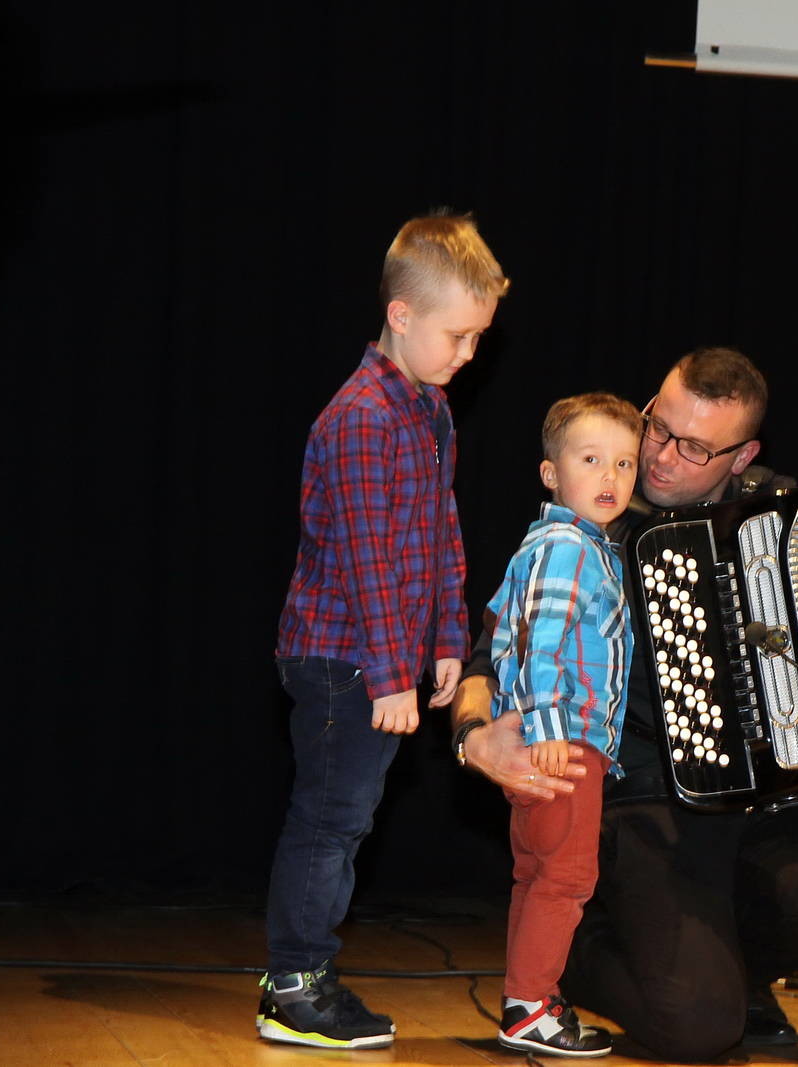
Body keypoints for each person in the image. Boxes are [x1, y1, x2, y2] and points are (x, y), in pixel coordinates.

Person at [453, 348, 798, 1061]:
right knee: (697, 1028)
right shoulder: (597, 505)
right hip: (646, 798)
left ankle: (733, 973)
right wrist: (474, 734)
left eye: (693, 447)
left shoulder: (780, 512)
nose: (656, 456)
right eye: (658, 425)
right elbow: (497, 643)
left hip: (765, 797)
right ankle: (570, 953)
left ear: (741, 456)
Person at [258, 212, 508, 1051]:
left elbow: (439, 533)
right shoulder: (363, 416)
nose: (468, 353)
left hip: (380, 653)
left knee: (350, 818)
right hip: (342, 657)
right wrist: (391, 673)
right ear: (401, 315)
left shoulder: (428, 409)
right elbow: (367, 555)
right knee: (329, 820)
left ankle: (305, 973)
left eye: (478, 338)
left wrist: (448, 636)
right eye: (458, 335)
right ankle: (293, 983)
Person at [487, 393, 643, 1058]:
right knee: (567, 878)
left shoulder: (557, 545)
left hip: (547, 740)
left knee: (535, 873)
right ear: (551, 472)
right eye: (591, 460)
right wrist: (548, 726)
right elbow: (539, 641)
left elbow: (499, 624)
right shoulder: (570, 549)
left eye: (625, 463)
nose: (611, 476)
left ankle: (527, 999)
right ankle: (531, 1004)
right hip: (565, 743)